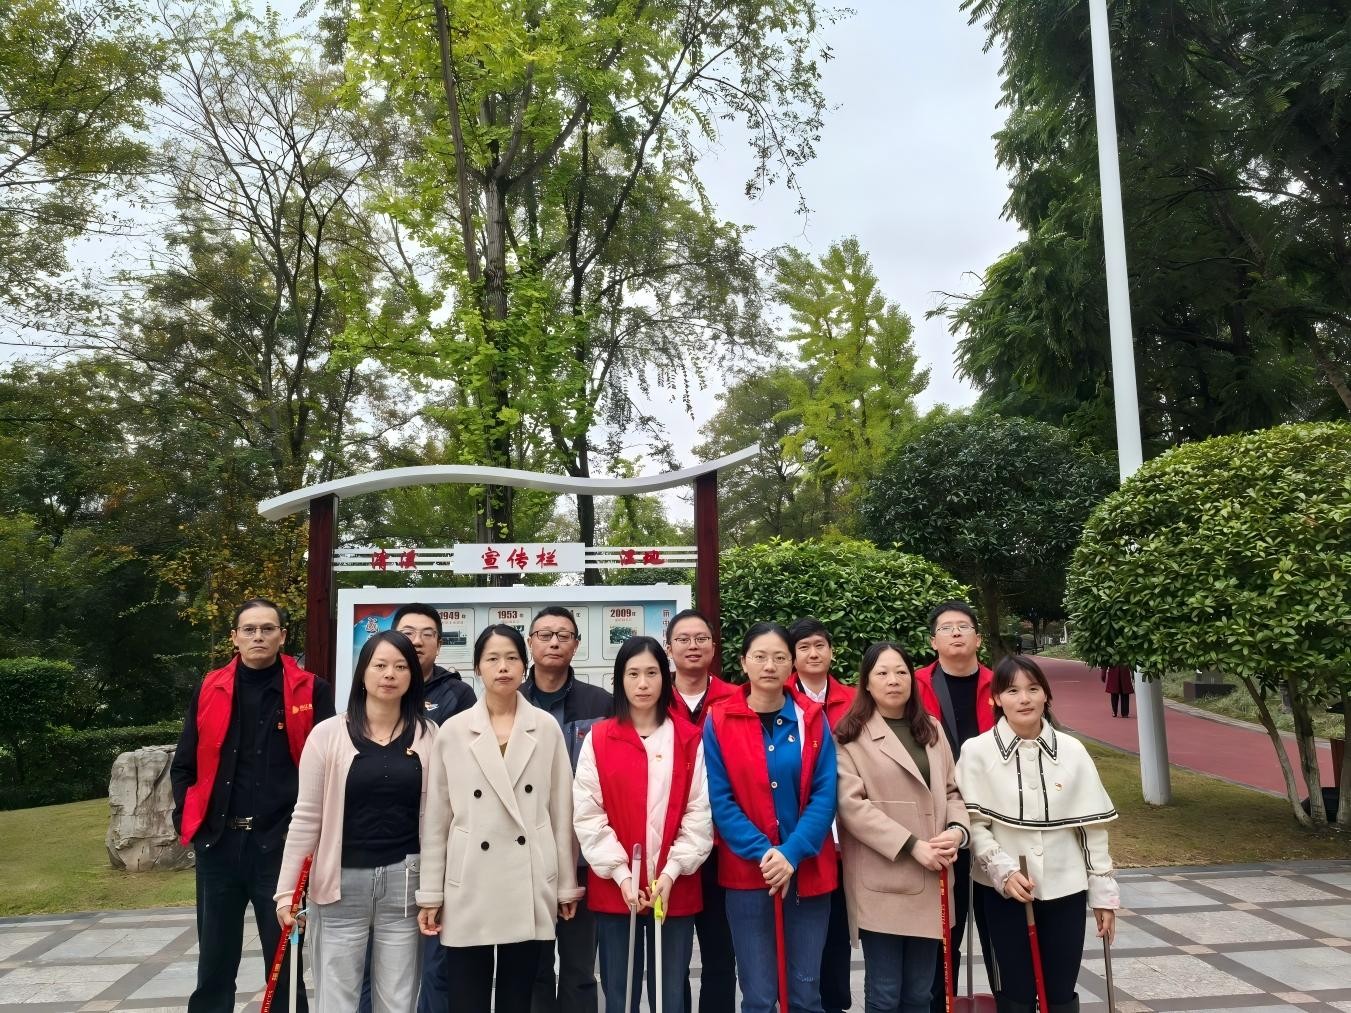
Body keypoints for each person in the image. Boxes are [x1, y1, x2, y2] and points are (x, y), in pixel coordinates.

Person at [171, 598, 336, 1013]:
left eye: (267, 629)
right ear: (235, 637)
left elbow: (329, 770)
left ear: (282, 636)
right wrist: (190, 819)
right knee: (213, 963)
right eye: (249, 629)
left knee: (283, 964)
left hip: (280, 848)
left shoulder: (311, 690)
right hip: (219, 844)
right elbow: (185, 764)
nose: (258, 636)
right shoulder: (210, 688)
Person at [416, 624, 585, 1013]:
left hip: (528, 877)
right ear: (478, 668)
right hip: (469, 879)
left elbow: (561, 813)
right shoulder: (454, 731)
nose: (503, 667)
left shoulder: (545, 728)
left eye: (511, 658)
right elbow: (437, 818)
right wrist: (431, 892)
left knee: (518, 997)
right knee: (466, 997)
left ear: (524, 666)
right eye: (492, 659)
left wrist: (565, 885)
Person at [275, 630, 436, 1012]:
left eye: (400, 667)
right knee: (337, 999)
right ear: (362, 672)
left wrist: (434, 888)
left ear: (412, 676)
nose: (389, 674)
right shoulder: (327, 735)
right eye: (380, 665)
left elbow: (438, 817)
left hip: (405, 882)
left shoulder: (429, 735)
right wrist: (287, 892)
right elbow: (306, 816)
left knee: (398, 1001)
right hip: (340, 883)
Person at [955, 656, 1120, 1013]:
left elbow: (1092, 830)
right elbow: (975, 824)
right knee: (1015, 992)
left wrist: (1104, 896)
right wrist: (1002, 871)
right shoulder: (976, 751)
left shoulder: (1073, 751)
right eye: (1012, 691)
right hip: (1003, 890)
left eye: (1033, 689)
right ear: (996, 698)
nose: (1024, 699)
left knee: (1061, 992)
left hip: (1066, 887)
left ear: (1046, 694)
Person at [573, 636, 713, 1013]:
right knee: (620, 992)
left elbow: (699, 811)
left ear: (665, 679)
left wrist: (671, 872)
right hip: (616, 889)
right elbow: (588, 813)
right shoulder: (599, 738)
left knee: (671, 993)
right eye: (633, 674)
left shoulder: (688, 738)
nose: (643, 683)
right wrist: (621, 874)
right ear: (620, 680)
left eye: (652, 673)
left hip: (675, 885)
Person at [704, 622, 838, 1013]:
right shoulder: (719, 720)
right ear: (743, 662)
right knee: (759, 995)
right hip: (748, 874)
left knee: (805, 994)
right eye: (760, 657)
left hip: (807, 870)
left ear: (791, 664)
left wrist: (791, 853)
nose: (769, 665)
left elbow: (825, 794)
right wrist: (766, 854)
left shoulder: (811, 717)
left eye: (780, 657)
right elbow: (720, 800)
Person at [834, 643, 968, 1013]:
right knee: (885, 994)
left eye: (901, 672)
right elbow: (851, 806)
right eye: (882, 673)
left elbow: (953, 791)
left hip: (933, 877)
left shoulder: (932, 729)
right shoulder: (850, 735)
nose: (893, 680)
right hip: (883, 880)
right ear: (867, 682)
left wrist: (957, 831)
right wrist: (912, 845)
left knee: (920, 994)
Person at [383, 604, 477, 1013]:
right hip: (384, 840)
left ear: (439, 644)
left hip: (440, 839)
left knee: (438, 958)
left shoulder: (458, 694)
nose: (417, 641)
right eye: (408, 632)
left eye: (427, 634)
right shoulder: (374, 688)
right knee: (381, 958)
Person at [522, 606, 614, 1013]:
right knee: (532, 966)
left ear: (576, 645)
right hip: (524, 855)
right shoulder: (509, 701)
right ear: (530, 643)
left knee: (579, 967)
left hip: (582, 857)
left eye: (564, 635)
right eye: (545, 635)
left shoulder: (602, 703)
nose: (554, 642)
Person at [912, 601, 996, 1011]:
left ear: (978, 638)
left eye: (964, 626)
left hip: (996, 818)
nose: (956, 633)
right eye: (946, 628)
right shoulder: (915, 685)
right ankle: (940, 1003)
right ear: (934, 641)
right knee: (947, 926)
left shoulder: (1002, 684)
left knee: (1000, 924)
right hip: (943, 819)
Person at [663, 609, 738, 1013]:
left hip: (725, 847)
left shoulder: (736, 699)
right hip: (670, 847)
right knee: (671, 957)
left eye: (701, 639)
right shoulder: (655, 700)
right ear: (669, 648)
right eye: (683, 639)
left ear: (713, 645)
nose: (692, 646)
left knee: (721, 953)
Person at [787, 617, 855, 1013]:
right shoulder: (780, 700)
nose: (813, 654)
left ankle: (835, 1002)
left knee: (838, 931)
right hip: (801, 833)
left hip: (847, 835)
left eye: (820, 646)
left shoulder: (855, 700)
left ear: (831, 651)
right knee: (802, 934)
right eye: (804, 647)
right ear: (792, 657)